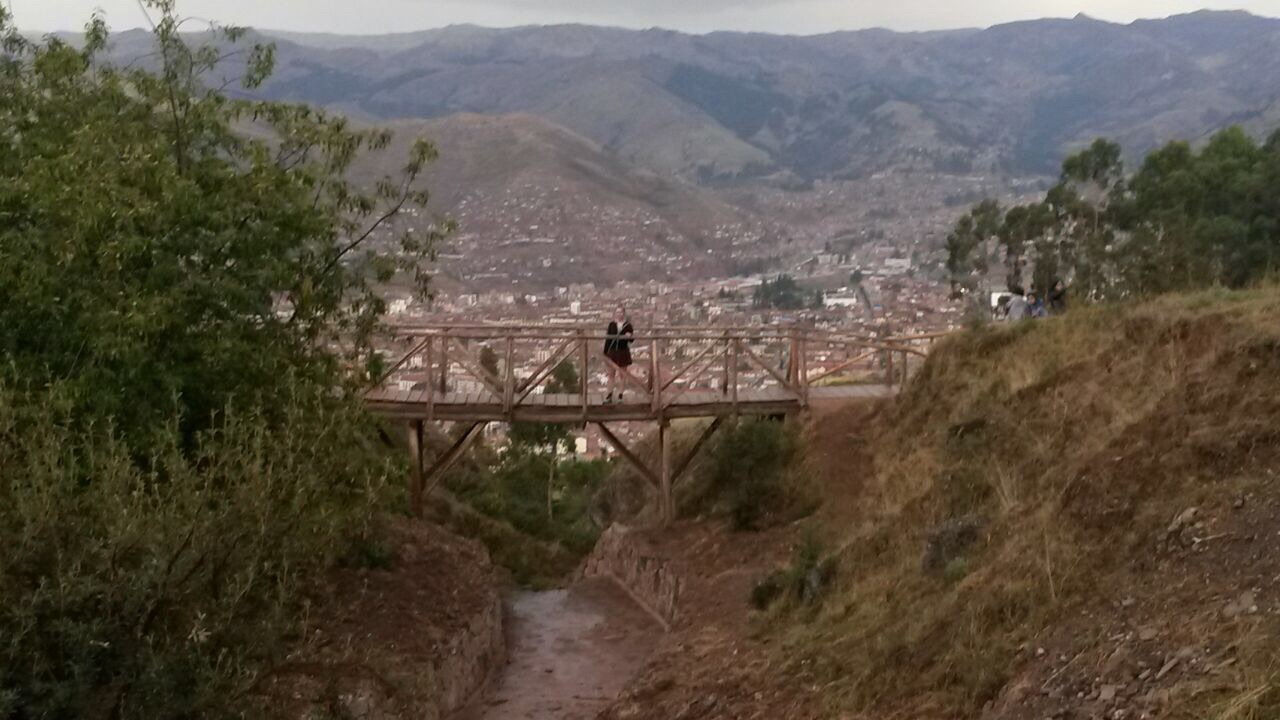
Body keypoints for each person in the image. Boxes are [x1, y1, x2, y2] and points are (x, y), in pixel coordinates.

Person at [603, 306, 634, 403]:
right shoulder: (611, 325)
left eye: (621, 312)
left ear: (623, 313)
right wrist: (605, 353)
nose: (619, 314)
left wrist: (629, 336)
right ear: (615, 314)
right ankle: (609, 395)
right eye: (617, 312)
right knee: (611, 374)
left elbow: (631, 340)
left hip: (623, 351)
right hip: (612, 352)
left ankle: (620, 395)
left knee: (622, 375)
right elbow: (608, 339)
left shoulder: (628, 325)